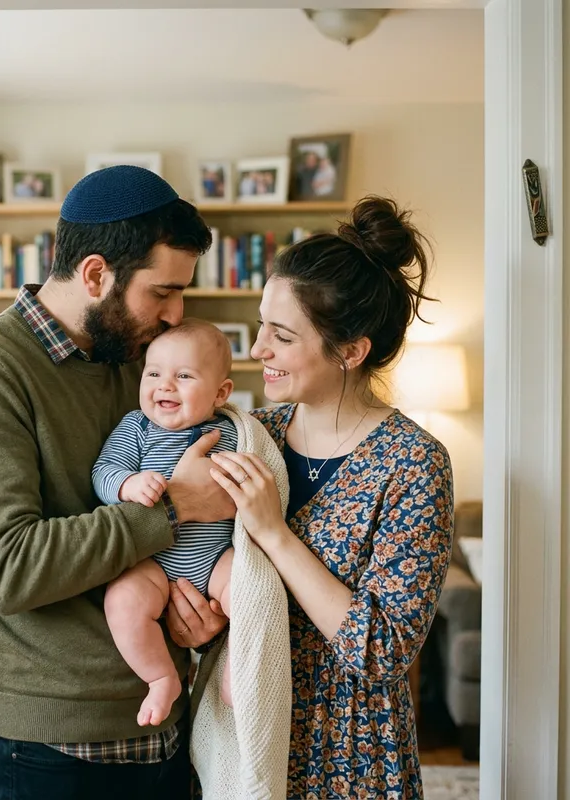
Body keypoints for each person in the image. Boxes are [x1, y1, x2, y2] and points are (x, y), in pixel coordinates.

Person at [0, 165, 233, 800]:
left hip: (164, 721)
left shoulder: (140, 362)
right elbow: (8, 571)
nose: (175, 317)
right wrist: (173, 505)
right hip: (48, 747)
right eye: (162, 293)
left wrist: (200, 619)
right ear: (96, 275)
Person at [190, 196, 455, 798]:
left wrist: (276, 534)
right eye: (262, 325)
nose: (258, 349)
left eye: (281, 335)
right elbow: (192, 550)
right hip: (247, 736)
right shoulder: (252, 435)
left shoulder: (413, 464)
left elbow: (382, 650)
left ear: (350, 351)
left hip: (349, 754)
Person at [93, 320, 238, 729]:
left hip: (215, 559)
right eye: (153, 373)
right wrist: (127, 484)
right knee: (122, 602)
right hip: (153, 563)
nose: (164, 386)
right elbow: (104, 471)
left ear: (220, 393)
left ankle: (237, 669)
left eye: (184, 376)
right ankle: (161, 678)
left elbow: (262, 478)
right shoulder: (137, 429)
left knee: (253, 591)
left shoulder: (232, 431)